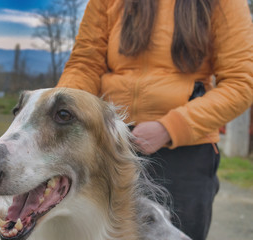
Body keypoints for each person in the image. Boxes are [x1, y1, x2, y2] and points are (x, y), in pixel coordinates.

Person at [56, 0, 253, 239]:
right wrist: (60, 117)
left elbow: (240, 83)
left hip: (186, 149)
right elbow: (85, 65)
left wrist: (170, 127)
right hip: (111, 144)